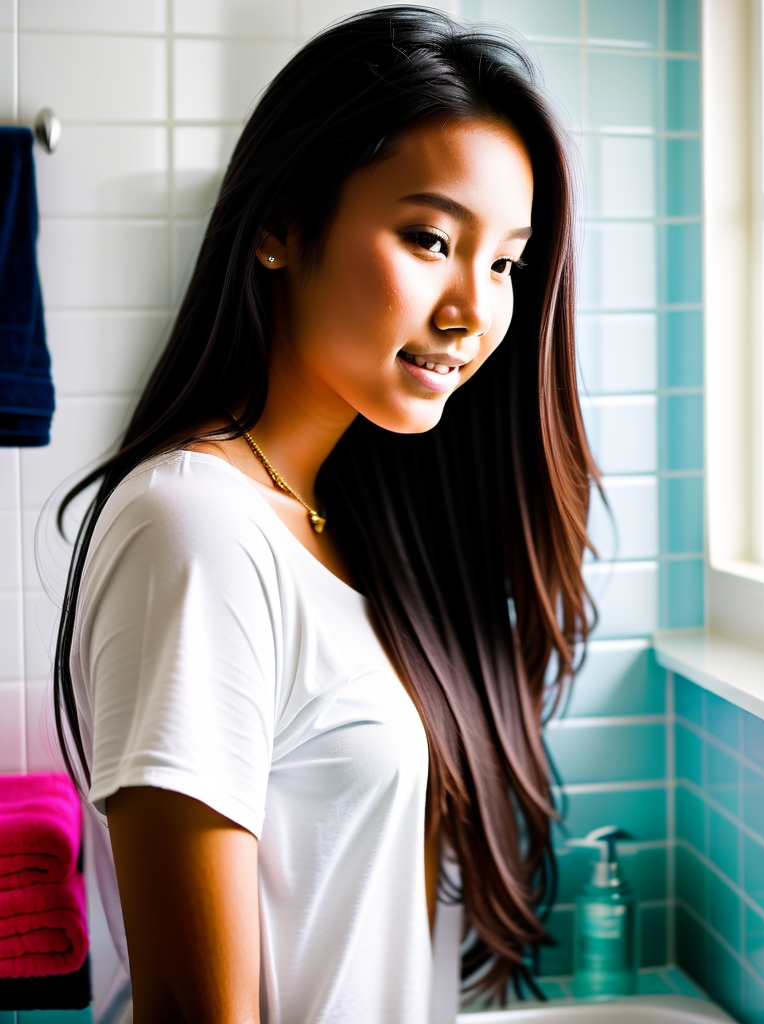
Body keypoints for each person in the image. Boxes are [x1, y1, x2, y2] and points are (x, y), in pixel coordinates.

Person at [51, 7, 596, 1024]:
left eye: (504, 261)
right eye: (429, 237)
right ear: (277, 227)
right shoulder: (193, 531)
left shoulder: (344, 518)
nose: (472, 310)